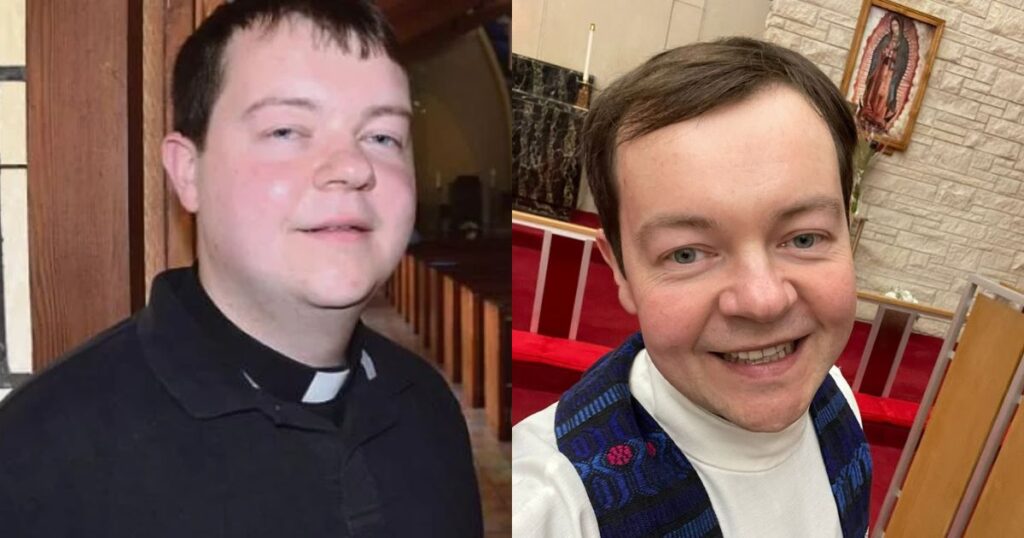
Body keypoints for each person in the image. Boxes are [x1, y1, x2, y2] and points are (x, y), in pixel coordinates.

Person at [0, 1, 482, 536]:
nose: (352, 167)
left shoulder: (429, 407)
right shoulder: (35, 458)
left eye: (382, 136)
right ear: (188, 173)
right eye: (286, 130)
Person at [513, 38, 871, 538]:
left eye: (804, 237)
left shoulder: (835, 398)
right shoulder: (547, 510)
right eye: (687, 253)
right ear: (620, 271)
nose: (763, 300)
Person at [859, 16, 911, 133]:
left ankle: (880, 116)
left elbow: (903, 61)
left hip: (891, 72)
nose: (894, 28)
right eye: (893, 25)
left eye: (896, 25)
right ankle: (869, 112)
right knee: (875, 90)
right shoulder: (886, 39)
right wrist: (883, 53)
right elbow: (877, 52)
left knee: (885, 93)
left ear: (900, 27)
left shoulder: (904, 43)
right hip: (880, 69)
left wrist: (893, 56)